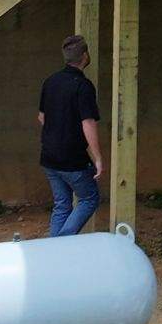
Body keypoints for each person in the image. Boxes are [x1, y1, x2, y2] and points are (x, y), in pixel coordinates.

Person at [37, 34, 105, 236]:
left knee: (62, 204)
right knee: (89, 198)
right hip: (72, 160)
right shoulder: (83, 86)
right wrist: (98, 158)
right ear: (85, 56)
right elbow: (88, 123)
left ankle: (54, 253)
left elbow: (41, 117)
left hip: (49, 156)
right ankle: (63, 244)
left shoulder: (50, 82)